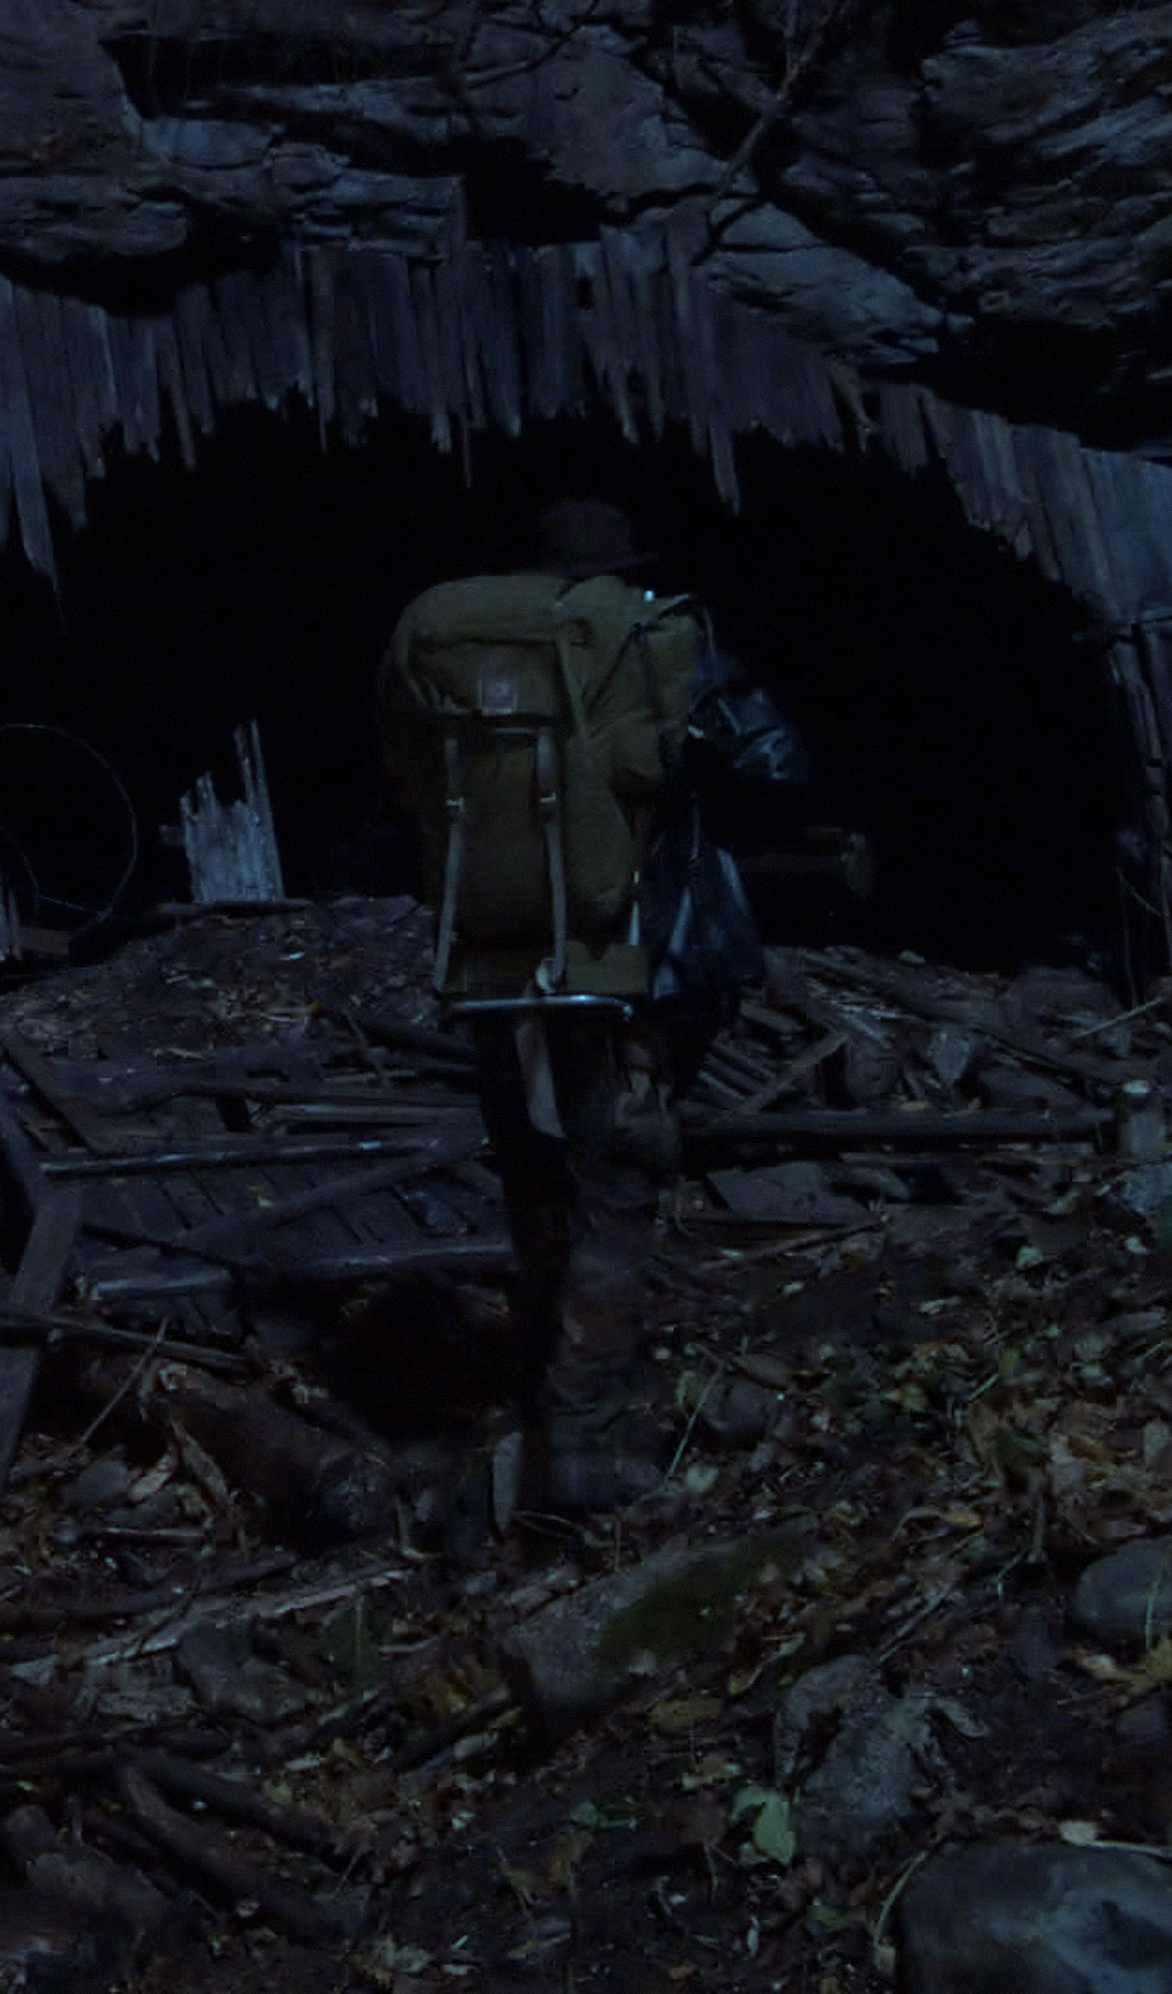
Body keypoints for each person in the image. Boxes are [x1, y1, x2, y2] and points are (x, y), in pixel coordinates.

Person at [379, 499, 812, 1514]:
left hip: (492, 967)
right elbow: (776, 765)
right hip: (622, 968)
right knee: (614, 1193)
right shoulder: (658, 635)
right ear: (623, 569)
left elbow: (404, 779)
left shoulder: (443, 640)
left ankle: (534, 1407)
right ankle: (581, 1445)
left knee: (536, 1185)